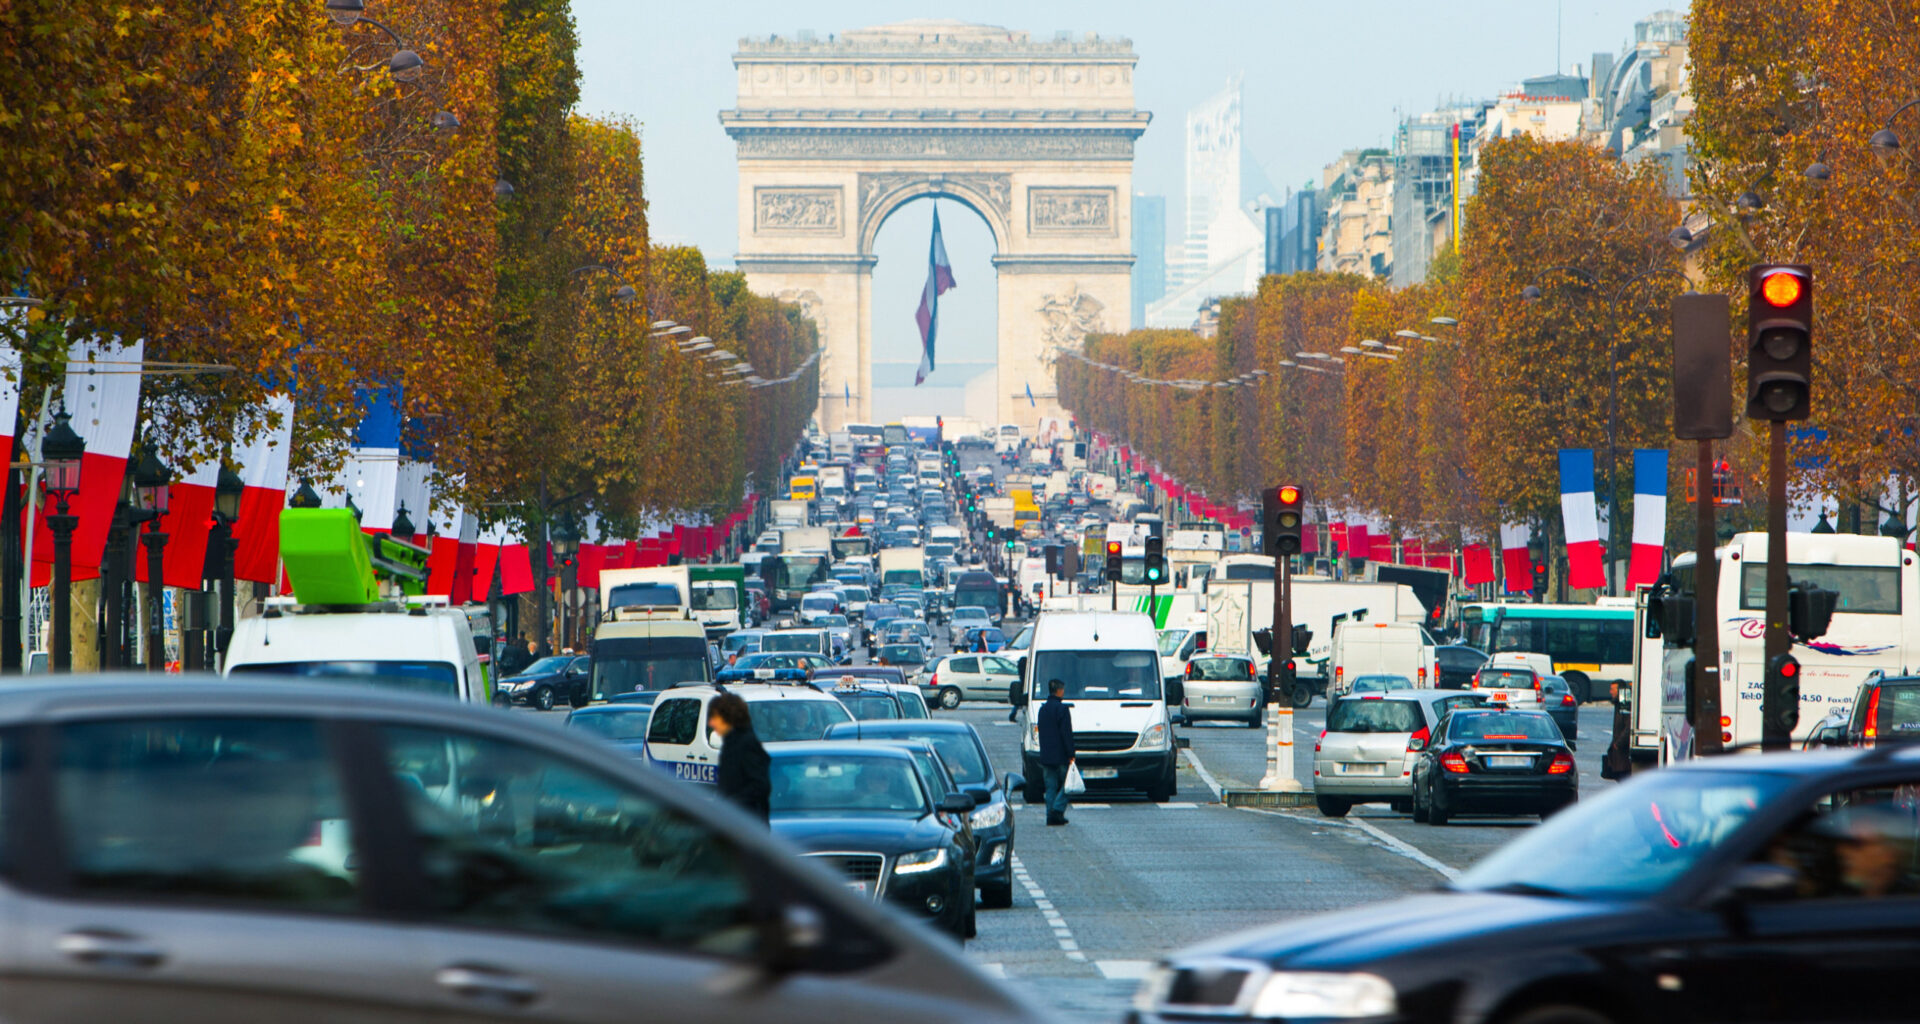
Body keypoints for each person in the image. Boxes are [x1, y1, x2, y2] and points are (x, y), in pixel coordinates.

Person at [710, 694, 770, 823]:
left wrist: (730, 804)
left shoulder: (746, 745)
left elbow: (759, 785)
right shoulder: (732, 743)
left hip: (746, 826)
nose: (712, 723)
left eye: (716, 717)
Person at [1037, 678, 1076, 826]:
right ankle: (1057, 810)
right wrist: (1071, 753)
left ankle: (1050, 816)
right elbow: (1066, 734)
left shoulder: (1043, 709)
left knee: (1050, 787)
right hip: (1060, 755)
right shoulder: (1062, 709)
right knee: (1069, 785)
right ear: (1060, 691)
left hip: (1046, 754)